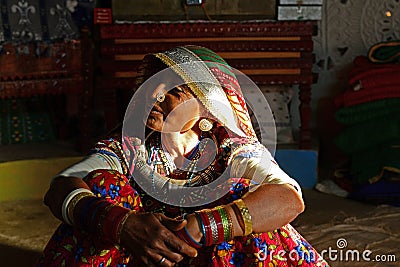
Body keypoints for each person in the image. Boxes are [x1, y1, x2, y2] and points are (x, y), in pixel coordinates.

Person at [38, 45, 329, 267]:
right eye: (152, 84)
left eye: (176, 88)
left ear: (207, 109)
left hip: (209, 256)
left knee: (248, 200)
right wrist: (124, 225)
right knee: (101, 186)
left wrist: (200, 229)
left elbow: (289, 198)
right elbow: (61, 186)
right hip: (140, 257)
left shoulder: (232, 149)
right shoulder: (130, 147)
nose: (156, 94)